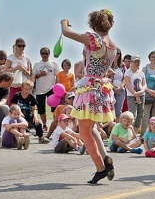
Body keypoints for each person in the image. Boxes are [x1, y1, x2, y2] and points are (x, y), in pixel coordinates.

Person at [61, 9, 116, 184]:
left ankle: (100, 168)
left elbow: (66, 33)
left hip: (89, 88)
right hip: (101, 88)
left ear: (93, 25)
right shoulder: (112, 46)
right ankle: (105, 157)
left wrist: (64, 22)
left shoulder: (95, 39)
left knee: (84, 132)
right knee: (90, 127)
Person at [32, 47, 59, 131]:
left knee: (54, 108)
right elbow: (33, 76)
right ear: (40, 54)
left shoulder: (54, 63)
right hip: (40, 89)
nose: (45, 55)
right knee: (41, 109)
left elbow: (57, 76)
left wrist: (57, 86)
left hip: (51, 88)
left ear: (49, 54)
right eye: (43, 53)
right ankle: (44, 124)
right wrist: (40, 74)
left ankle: (56, 125)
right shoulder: (36, 64)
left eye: (46, 53)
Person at [3, 38, 32, 105]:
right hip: (13, 84)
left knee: (24, 105)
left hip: (24, 85)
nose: (21, 47)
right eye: (19, 45)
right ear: (16, 46)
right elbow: (5, 70)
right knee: (12, 104)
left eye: (23, 46)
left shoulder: (27, 59)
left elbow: (29, 74)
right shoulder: (11, 57)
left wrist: (23, 69)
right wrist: (15, 68)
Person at [124, 55, 146, 135]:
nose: (137, 63)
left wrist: (140, 92)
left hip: (141, 95)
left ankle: (135, 133)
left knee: (140, 114)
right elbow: (127, 84)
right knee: (132, 114)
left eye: (138, 62)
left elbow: (144, 85)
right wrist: (135, 94)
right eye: (135, 61)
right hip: (131, 96)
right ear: (132, 62)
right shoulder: (128, 72)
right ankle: (130, 133)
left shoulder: (141, 73)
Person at [108, 48, 126, 122]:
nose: (117, 55)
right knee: (109, 109)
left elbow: (125, 78)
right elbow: (105, 77)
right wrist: (114, 87)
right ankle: (108, 129)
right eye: (115, 53)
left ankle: (116, 128)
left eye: (118, 53)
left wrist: (120, 87)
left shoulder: (122, 65)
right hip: (109, 89)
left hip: (120, 90)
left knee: (118, 111)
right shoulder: (108, 63)